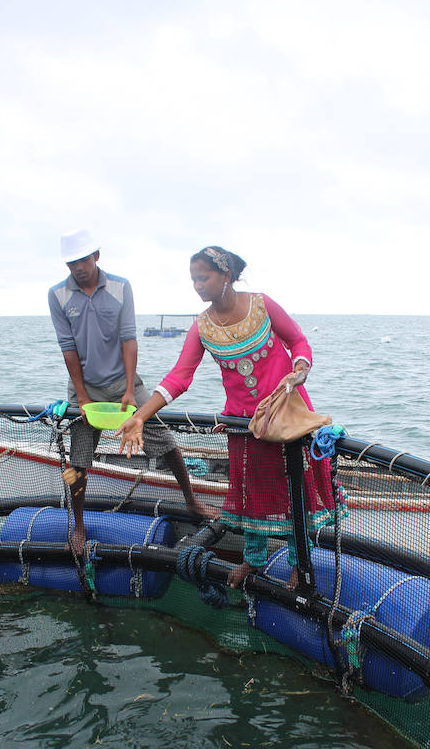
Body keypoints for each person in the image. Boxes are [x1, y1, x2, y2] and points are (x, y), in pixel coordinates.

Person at [117, 245, 342, 589]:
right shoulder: (202, 326)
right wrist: (141, 416)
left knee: (294, 492)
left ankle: (300, 562)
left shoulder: (263, 305)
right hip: (242, 426)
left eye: (203, 277)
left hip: (285, 417)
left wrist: (300, 369)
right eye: (193, 279)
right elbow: (179, 376)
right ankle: (253, 561)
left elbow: (298, 341)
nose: (197, 285)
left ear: (226, 275)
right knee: (251, 495)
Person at [48, 228, 212, 552]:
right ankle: (78, 524)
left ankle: (191, 500)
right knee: (77, 463)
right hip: (86, 389)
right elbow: (68, 348)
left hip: (125, 382)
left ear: (96, 256)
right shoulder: (57, 295)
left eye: (83, 259)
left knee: (164, 441)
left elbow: (129, 338)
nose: (78, 267)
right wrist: (81, 396)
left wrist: (127, 389)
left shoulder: (121, 287)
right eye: (71, 263)